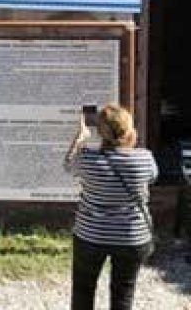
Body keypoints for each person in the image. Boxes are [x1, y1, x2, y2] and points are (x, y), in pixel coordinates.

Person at [64, 103, 159, 310]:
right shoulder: (144, 159)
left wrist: (80, 138)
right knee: (123, 292)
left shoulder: (87, 158)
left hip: (91, 235)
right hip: (132, 237)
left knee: (83, 289)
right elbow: (152, 177)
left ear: (101, 132)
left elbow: (68, 165)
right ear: (129, 129)